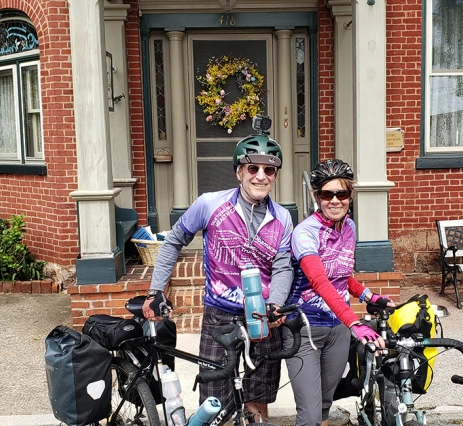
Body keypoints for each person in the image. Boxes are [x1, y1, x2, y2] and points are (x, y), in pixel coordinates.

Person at [142, 133, 294, 422]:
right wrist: (156, 290)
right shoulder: (210, 205)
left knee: (256, 400)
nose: (261, 176)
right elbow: (174, 240)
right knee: (214, 402)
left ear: (275, 175)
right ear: (239, 171)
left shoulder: (283, 218)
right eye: (253, 168)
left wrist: (275, 302)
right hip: (220, 316)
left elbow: (283, 267)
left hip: (262, 317)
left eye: (269, 170)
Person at [284, 159, 395, 426]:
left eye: (341, 193)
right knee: (309, 416)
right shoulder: (304, 233)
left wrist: (370, 297)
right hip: (304, 330)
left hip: (338, 330)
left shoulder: (349, 228)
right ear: (317, 196)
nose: (335, 200)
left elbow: (342, 277)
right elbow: (321, 282)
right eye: (327, 194)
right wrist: (356, 322)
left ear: (350, 196)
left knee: (324, 406)